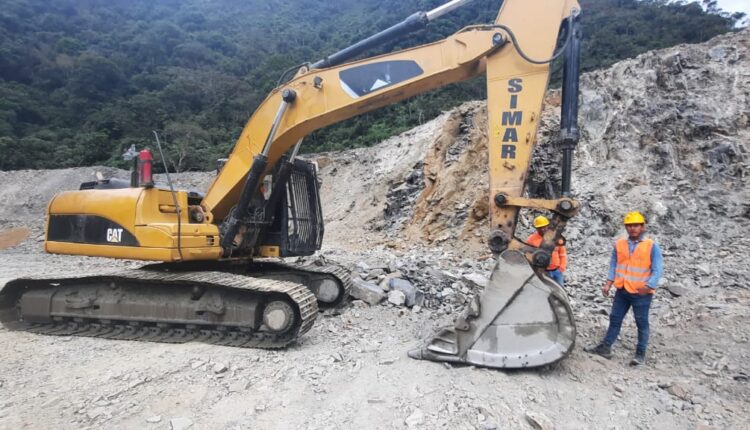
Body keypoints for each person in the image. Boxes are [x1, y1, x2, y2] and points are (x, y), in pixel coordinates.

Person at [585, 211, 664, 366]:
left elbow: (658, 269)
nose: (632, 228)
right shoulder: (620, 244)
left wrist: (649, 285)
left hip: (641, 292)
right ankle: (606, 348)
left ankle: (640, 354)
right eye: (629, 226)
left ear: (642, 227)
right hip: (622, 290)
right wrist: (609, 282)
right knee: (615, 319)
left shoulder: (651, 246)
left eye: (635, 225)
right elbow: (614, 264)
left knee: (641, 323)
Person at [526, 215, 567, 287]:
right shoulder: (531, 239)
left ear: (548, 226)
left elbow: (562, 254)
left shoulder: (556, 237)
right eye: (540, 228)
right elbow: (527, 254)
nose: (543, 229)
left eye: (544, 226)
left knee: (560, 291)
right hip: (542, 272)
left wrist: (562, 268)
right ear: (536, 228)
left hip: (557, 271)